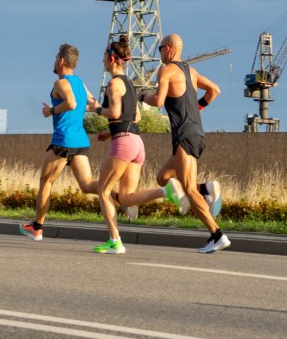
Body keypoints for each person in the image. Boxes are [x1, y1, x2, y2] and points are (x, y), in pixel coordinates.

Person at [87, 36, 190, 255]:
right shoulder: (130, 84)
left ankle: (115, 240)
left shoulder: (114, 83)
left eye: (105, 57)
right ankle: (166, 190)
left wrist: (95, 109)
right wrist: (109, 131)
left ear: (114, 59)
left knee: (103, 191)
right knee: (125, 197)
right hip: (136, 142)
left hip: (123, 143)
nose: (103, 61)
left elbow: (114, 113)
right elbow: (136, 116)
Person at [138, 33, 230, 253]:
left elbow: (158, 101)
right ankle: (206, 188)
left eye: (159, 48)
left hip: (184, 136)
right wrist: (197, 109)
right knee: (163, 177)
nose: (158, 52)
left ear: (168, 48)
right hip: (197, 134)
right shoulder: (191, 71)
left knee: (188, 189)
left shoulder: (166, 70)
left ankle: (217, 235)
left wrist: (143, 96)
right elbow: (214, 90)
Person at [19, 43, 101, 241]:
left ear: (62, 61)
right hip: (81, 141)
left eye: (56, 58)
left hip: (63, 141)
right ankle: (122, 197)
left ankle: (37, 228)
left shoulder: (61, 83)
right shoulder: (81, 83)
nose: (54, 61)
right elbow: (93, 105)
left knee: (45, 181)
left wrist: (51, 111)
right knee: (88, 185)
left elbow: (71, 103)